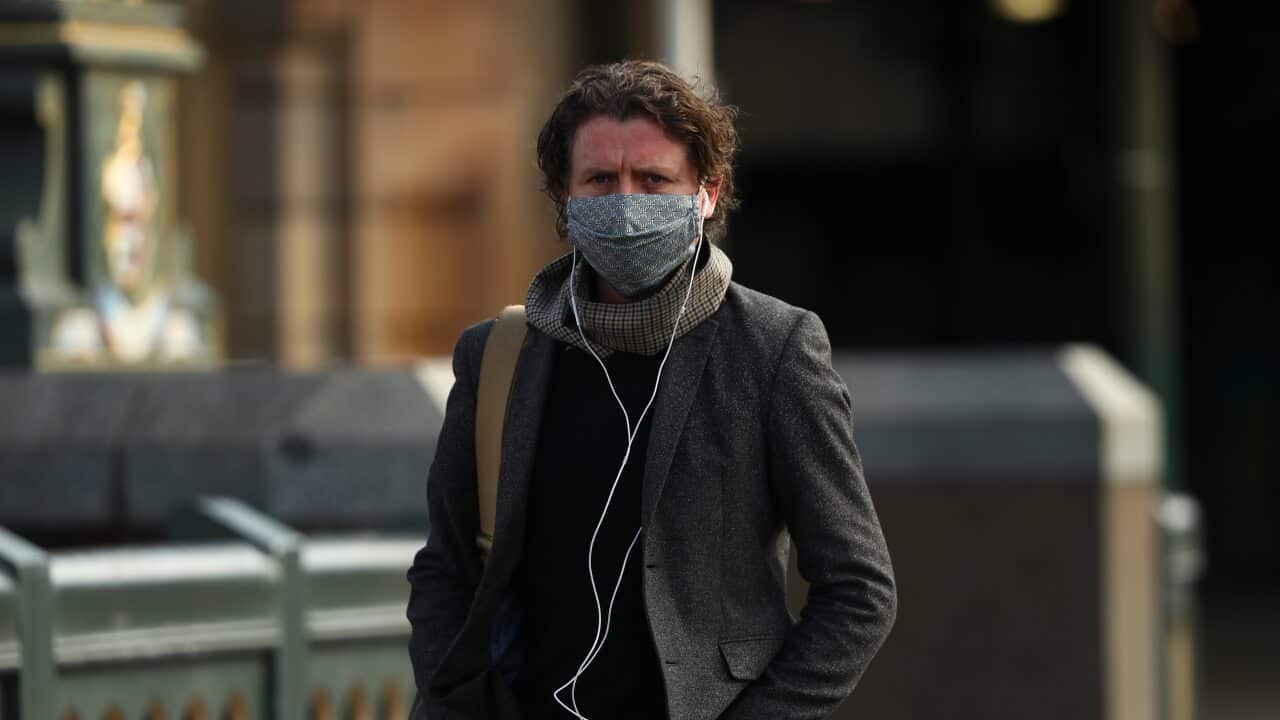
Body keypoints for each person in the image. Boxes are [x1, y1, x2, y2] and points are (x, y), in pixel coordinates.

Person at [407, 60, 896, 720]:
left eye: (654, 180)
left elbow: (859, 589)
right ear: (564, 196)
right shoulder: (498, 356)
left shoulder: (774, 349)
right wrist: (456, 700)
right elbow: (446, 565)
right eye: (600, 180)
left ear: (707, 193)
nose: (626, 202)